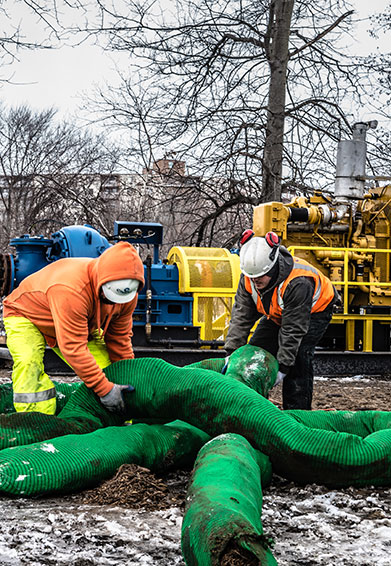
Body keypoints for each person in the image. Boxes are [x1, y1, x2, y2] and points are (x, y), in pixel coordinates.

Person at [3, 241, 145, 415]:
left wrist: (128, 380)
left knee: (108, 370)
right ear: (101, 282)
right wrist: (105, 390)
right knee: (28, 363)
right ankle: (36, 419)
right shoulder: (72, 289)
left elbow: (119, 340)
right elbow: (73, 347)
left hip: (72, 320)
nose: (113, 303)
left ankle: (116, 420)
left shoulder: (127, 295)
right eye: (108, 297)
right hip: (26, 314)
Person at [224, 231, 338, 410]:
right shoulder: (249, 275)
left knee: (298, 358)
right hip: (279, 312)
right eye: (252, 277)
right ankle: (253, 408)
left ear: (273, 267)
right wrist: (233, 353)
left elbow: (293, 329)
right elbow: (241, 316)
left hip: (314, 312)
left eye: (260, 277)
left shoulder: (298, 282)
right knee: (255, 352)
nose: (255, 281)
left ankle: (297, 415)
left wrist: (283, 368)